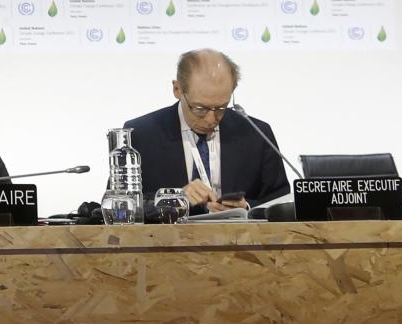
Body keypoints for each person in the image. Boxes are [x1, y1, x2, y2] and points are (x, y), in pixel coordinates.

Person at [124, 49, 289, 212]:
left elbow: (280, 200)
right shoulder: (141, 134)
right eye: (200, 108)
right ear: (178, 89)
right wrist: (174, 199)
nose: (211, 119)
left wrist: (246, 208)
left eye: (221, 108)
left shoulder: (256, 134)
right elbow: (123, 204)